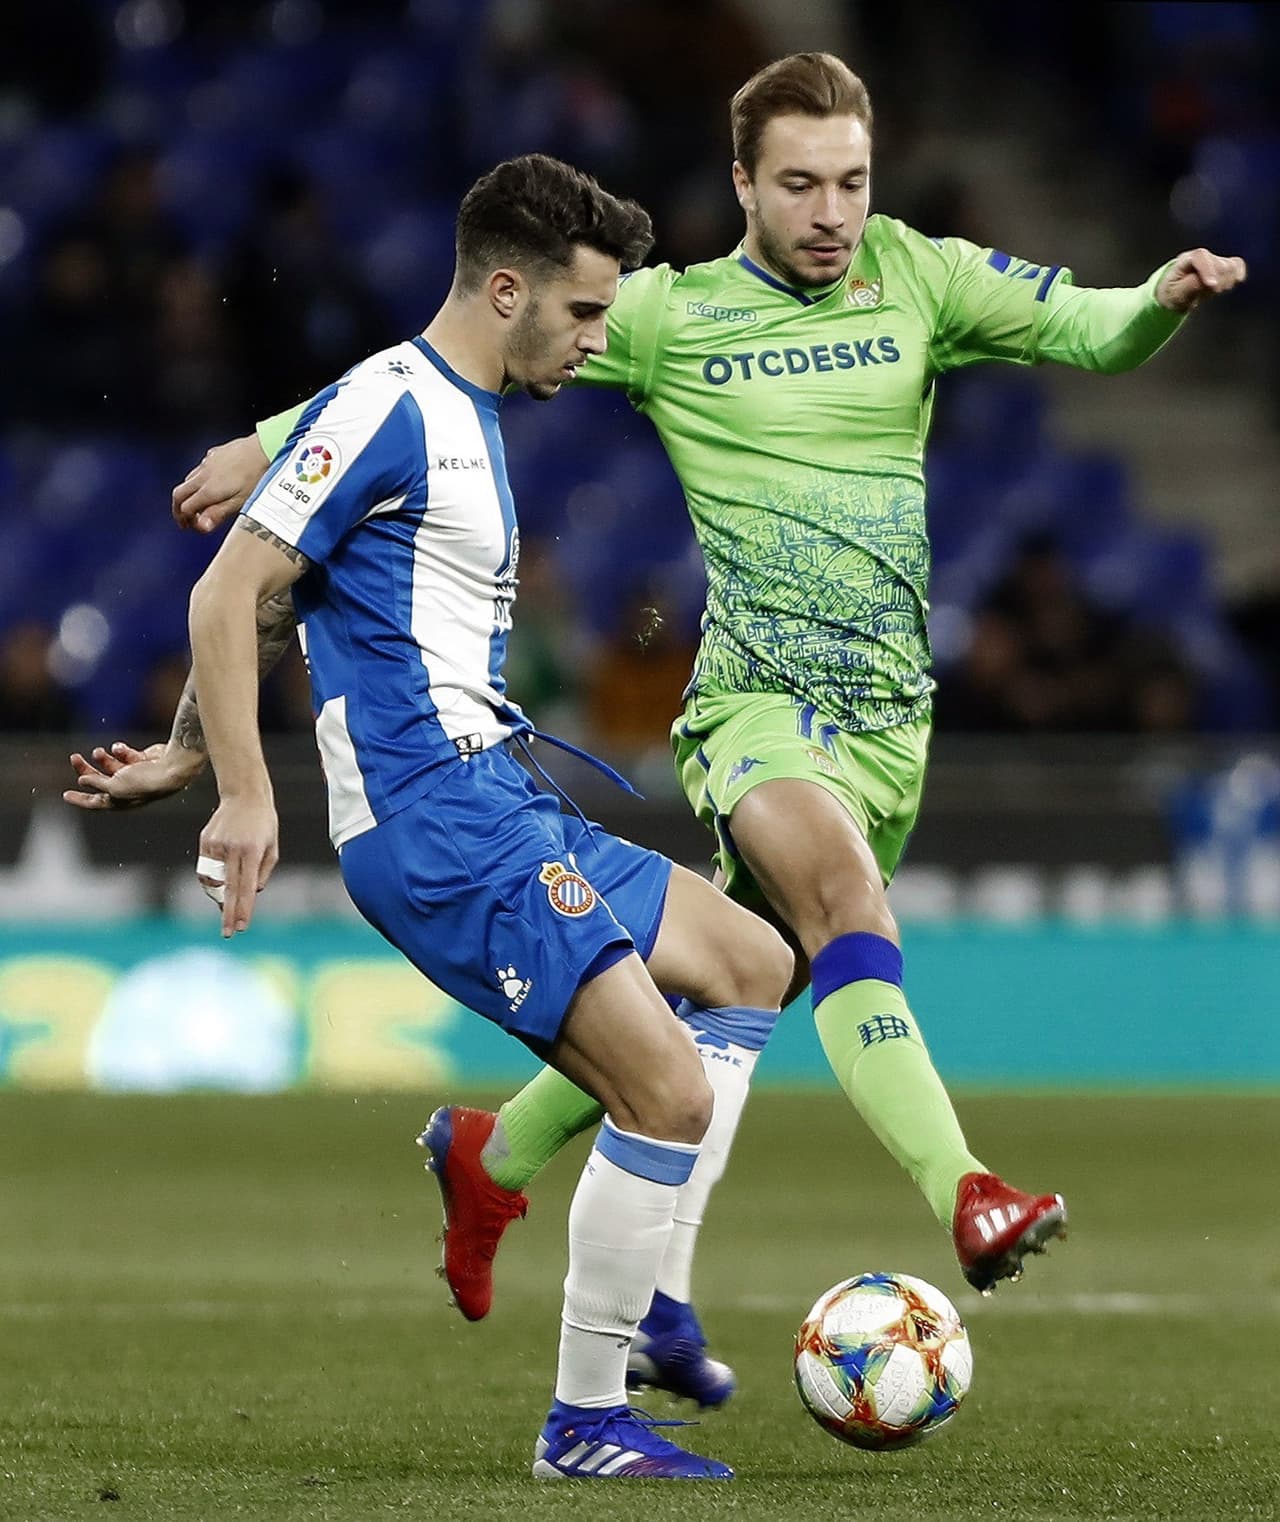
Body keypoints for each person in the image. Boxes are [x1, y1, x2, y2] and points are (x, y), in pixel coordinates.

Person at [168, 53, 1247, 1342]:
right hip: (756, 711)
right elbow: (447, 363)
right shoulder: (670, 317)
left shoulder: (924, 277)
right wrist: (273, 437)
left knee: (742, 972)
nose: (833, 212)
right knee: (846, 914)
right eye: (799, 184)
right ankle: (966, 1191)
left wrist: (1163, 299)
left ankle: (492, 1160)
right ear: (743, 183)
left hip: (890, 721)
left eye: (851, 181)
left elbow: (1093, 328)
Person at [65, 153, 800, 1481]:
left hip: (501, 796)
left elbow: (293, 605)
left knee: (753, 961)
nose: (594, 341)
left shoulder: (461, 411)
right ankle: (586, 1416)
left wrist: (180, 753)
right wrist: (238, 788)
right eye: (581, 315)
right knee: (668, 1087)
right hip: (440, 820)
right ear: (505, 288)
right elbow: (228, 591)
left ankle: (586, 1229)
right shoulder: (391, 405)